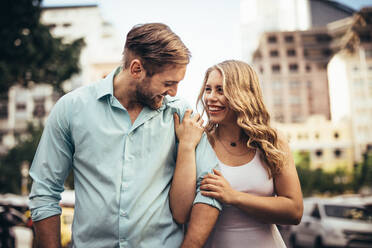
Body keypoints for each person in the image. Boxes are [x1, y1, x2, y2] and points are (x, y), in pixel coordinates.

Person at [29, 23, 221, 248]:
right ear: (136, 69)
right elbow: (44, 190)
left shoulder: (181, 113)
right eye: (168, 83)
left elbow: (209, 189)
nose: (173, 92)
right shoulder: (71, 108)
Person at [170, 60, 303, 247]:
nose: (210, 98)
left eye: (221, 90)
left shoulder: (272, 142)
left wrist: (233, 196)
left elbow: (294, 211)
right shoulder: (198, 141)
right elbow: (180, 213)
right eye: (208, 89)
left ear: (242, 94)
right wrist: (185, 145)